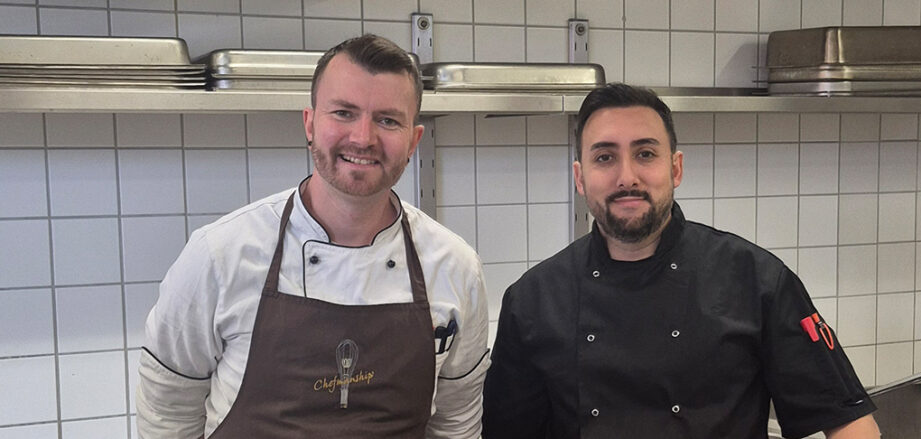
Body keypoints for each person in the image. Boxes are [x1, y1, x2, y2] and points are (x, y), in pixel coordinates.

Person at [136, 34, 490, 439]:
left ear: (413, 140)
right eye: (343, 112)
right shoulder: (218, 255)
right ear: (310, 123)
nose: (363, 138)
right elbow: (167, 410)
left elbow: (456, 423)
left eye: (388, 120)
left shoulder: (455, 268)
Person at [482, 83, 880, 439]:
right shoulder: (533, 300)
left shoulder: (754, 280)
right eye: (605, 157)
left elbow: (849, 422)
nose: (627, 176)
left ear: (675, 168)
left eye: (645, 153)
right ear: (580, 177)